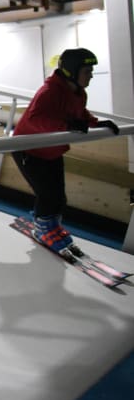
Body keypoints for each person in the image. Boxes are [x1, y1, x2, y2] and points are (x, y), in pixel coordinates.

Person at [11, 48, 119, 253]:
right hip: (29, 150)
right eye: (87, 71)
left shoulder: (78, 93)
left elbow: (79, 114)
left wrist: (96, 123)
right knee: (47, 195)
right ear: (71, 71)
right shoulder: (50, 91)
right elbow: (36, 119)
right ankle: (43, 229)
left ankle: (53, 227)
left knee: (59, 196)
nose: (91, 76)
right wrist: (67, 127)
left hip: (52, 150)